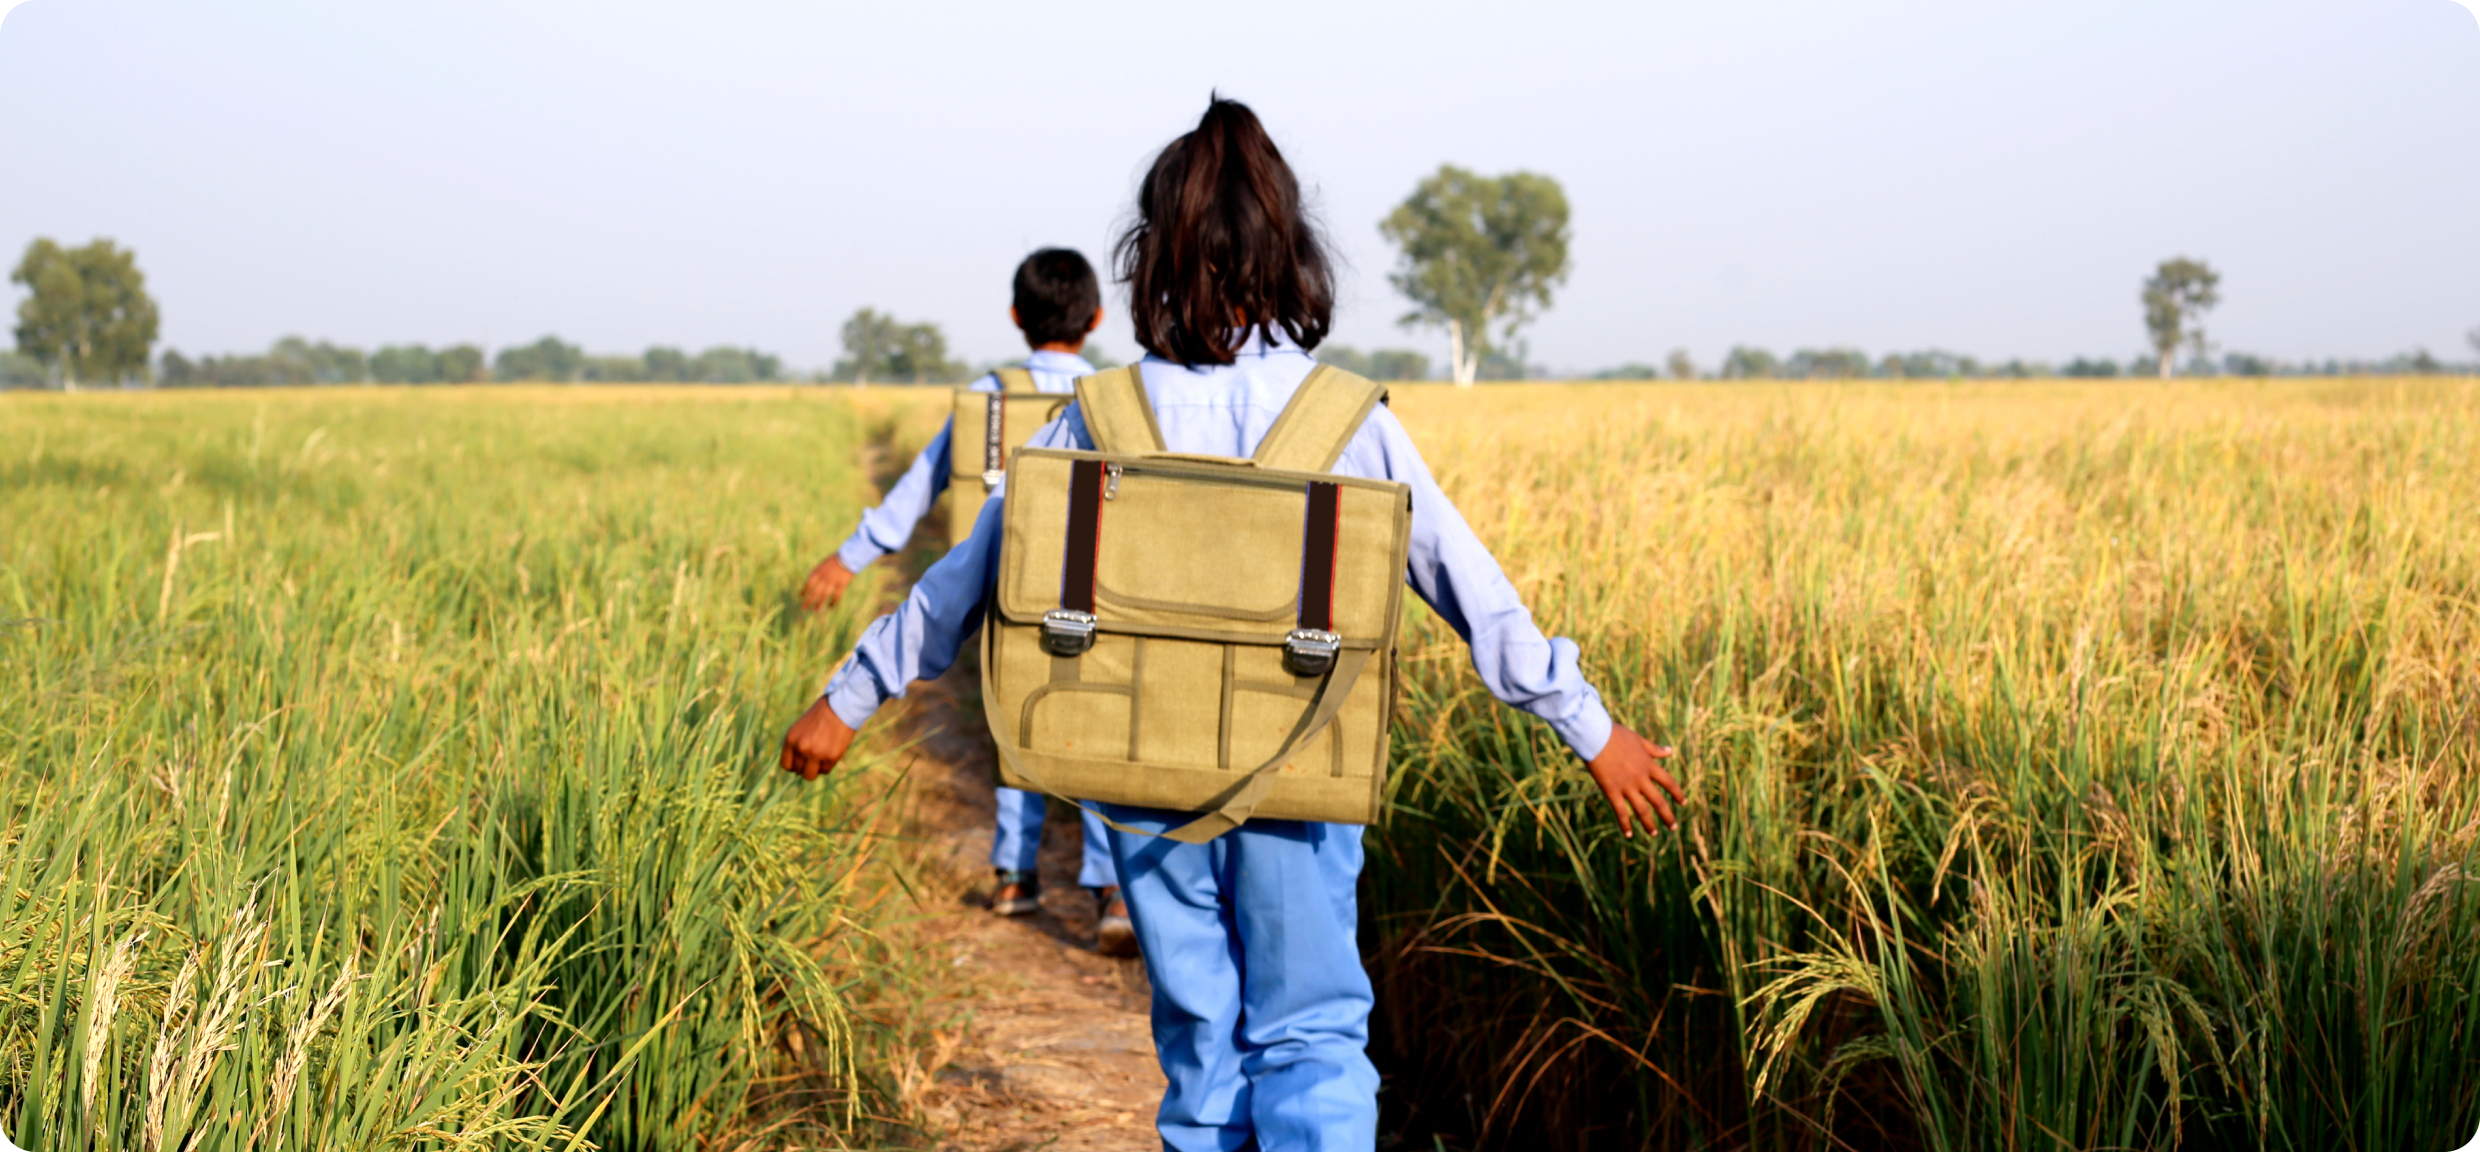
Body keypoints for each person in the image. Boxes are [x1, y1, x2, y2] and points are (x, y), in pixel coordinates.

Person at [780, 99, 1685, 1150]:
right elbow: (1468, 589)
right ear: (1291, 255)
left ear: (1150, 261)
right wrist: (1589, 727)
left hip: (1138, 777)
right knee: (1310, 1036)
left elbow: (967, 578)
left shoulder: (1102, 417)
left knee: (1199, 1040)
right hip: (1302, 770)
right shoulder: (1349, 421)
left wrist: (848, 699)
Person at [796, 247, 1133, 955]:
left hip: (1005, 588)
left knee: (1016, 720)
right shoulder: (1116, 403)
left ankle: (1015, 875)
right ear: (1097, 318)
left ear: (1016, 317)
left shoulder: (986, 398)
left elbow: (918, 490)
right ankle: (1108, 889)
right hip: (1098, 597)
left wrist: (849, 558)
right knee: (1099, 727)